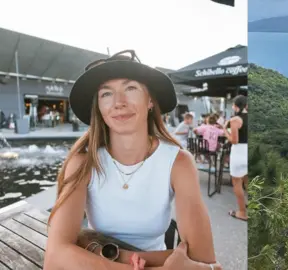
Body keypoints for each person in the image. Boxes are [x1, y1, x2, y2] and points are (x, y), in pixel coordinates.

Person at [44, 50, 221, 270]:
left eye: (130, 88)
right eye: (106, 94)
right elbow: (54, 259)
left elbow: (204, 260)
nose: (119, 102)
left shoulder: (179, 163)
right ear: (98, 107)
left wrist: (103, 254)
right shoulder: (82, 163)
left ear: (150, 100)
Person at [223, 95, 248, 221]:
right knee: (249, 182)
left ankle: (242, 212)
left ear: (236, 106)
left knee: (237, 184)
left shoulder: (235, 120)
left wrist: (225, 131)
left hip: (239, 153)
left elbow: (234, 140)